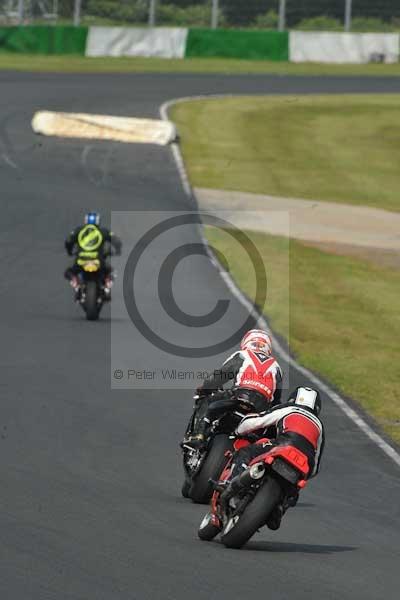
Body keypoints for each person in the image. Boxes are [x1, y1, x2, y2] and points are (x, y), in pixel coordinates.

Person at [220, 386, 325, 530]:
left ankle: (232, 481)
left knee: (245, 452)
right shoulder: (319, 426)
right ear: (317, 407)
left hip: (284, 443)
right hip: (306, 460)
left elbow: (257, 422)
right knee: (295, 488)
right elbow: (316, 466)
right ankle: (281, 507)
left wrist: (239, 430)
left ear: (293, 399)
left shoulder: (289, 408)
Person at [183, 329, 283, 449]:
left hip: (239, 396)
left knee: (207, 399)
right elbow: (276, 400)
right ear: (268, 348)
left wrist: (205, 389)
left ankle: (198, 436)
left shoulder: (242, 355)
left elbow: (218, 377)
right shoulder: (276, 367)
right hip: (261, 407)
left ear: (246, 342)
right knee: (271, 432)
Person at [64, 212, 122, 295]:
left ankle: (74, 280)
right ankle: (107, 283)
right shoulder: (103, 231)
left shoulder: (79, 230)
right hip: (98, 261)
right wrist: (117, 251)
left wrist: (69, 251)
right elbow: (117, 241)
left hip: (81, 261)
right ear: (98, 221)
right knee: (111, 271)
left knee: (69, 272)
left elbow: (68, 241)